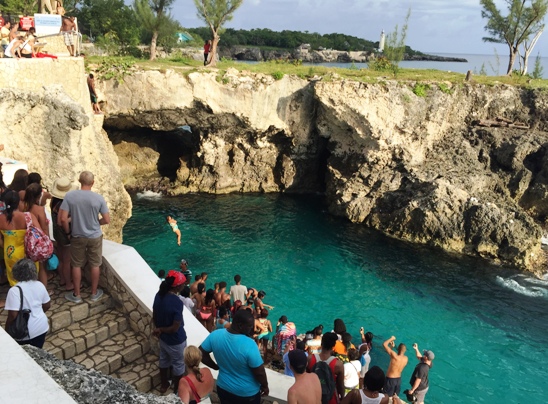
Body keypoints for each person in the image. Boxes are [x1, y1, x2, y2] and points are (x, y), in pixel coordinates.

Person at [59, 171, 110, 303]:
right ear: (93, 183)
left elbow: (63, 219)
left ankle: (77, 295)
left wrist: (68, 233)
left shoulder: (70, 196)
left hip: (77, 235)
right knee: (95, 264)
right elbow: (107, 219)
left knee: (76, 265)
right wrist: (96, 223)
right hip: (95, 236)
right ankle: (94, 293)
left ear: (79, 181)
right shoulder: (99, 198)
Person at [200, 309, 269, 404]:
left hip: (223, 388)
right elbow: (259, 372)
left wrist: (215, 366)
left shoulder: (215, 335)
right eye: (249, 326)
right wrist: (265, 386)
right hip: (247, 394)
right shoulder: (250, 344)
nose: (252, 329)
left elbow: (200, 353)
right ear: (240, 325)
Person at [153, 270, 188, 394]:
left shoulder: (158, 295)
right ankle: (176, 390)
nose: (184, 286)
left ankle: (164, 384)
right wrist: (161, 329)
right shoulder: (177, 302)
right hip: (175, 340)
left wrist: (159, 329)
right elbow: (175, 328)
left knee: (164, 359)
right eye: (183, 284)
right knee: (179, 364)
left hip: (163, 339)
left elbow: (155, 316)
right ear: (177, 286)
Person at [4, 258, 51, 348]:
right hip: (42, 327)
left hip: (25, 332)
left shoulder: (14, 291)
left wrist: (7, 329)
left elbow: (12, 315)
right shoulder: (40, 284)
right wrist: (37, 313)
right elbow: (47, 305)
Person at [0, 191, 40, 286]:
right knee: (31, 279)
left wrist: (6, 246)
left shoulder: (1, 218)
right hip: (29, 252)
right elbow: (39, 233)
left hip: (10, 252)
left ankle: (19, 298)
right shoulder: (28, 216)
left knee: (15, 281)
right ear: (18, 202)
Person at [50, 177, 77, 292]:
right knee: (67, 261)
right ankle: (68, 284)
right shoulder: (64, 204)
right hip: (64, 235)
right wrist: (69, 233)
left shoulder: (54, 201)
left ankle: (62, 279)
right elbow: (62, 221)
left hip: (56, 234)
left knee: (61, 258)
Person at [22, 183, 50, 290]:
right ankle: (43, 291)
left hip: (27, 242)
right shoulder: (39, 209)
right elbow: (44, 228)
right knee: (42, 269)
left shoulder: (23, 207)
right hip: (38, 243)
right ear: (39, 196)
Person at [306, 332, 345, 404]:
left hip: (312, 396)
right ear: (333, 346)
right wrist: (342, 398)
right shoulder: (338, 365)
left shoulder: (310, 358)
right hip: (330, 398)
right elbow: (340, 385)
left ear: (321, 343)